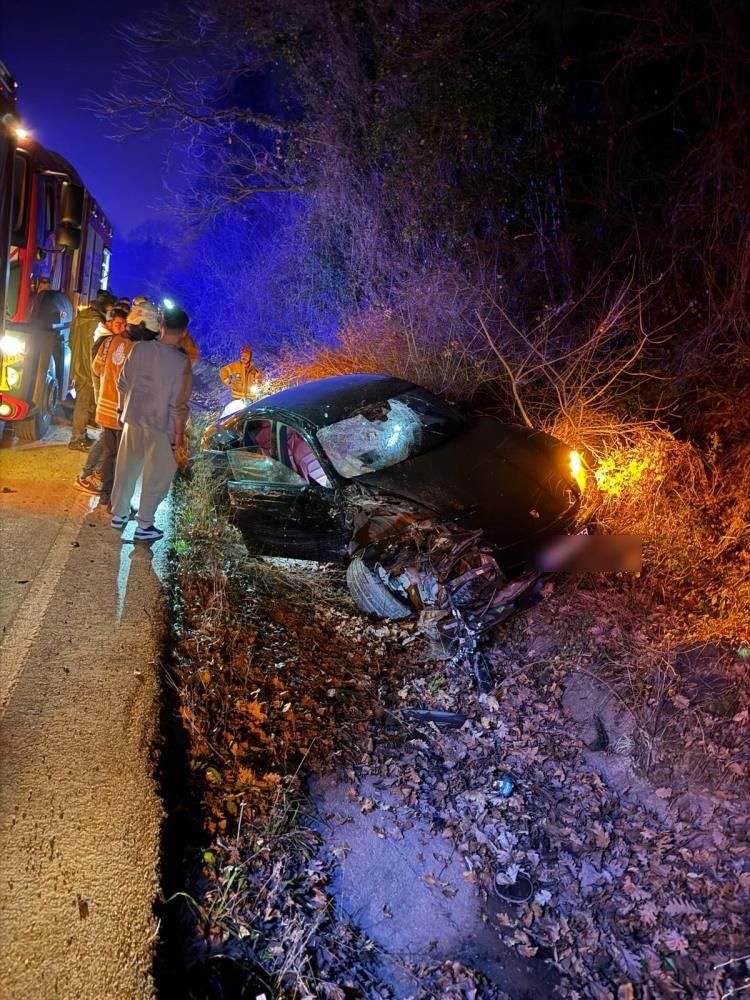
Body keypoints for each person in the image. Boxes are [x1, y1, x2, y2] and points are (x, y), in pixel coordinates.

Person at [110, 304, 192, 541]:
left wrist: (121, 410)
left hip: (132, 419)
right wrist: (178, 438)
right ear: (183, 332)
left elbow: (122, 384)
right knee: (157, 475)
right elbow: (179, 405)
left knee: (126, 468)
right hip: (161, 426)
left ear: (162, 326)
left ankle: (119, 514)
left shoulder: (139, 349)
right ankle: (145, 525)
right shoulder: (180, 363)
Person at [84, 304, 153, 507]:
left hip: (106, 410)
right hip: (127, 413)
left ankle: (106, 496)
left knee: (110, 454)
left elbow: (96, 368)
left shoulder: (108, 342)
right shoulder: (141, 348)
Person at [73, 305, 129, 494]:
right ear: (109, 323)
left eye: (125, 324)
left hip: (107, 402)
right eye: (119, 324)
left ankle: (96, 473)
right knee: (106, 440)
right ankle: (85, 475)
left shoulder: (110, 340)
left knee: (107, 441)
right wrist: (100, 398)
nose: (122, 328)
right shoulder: (107, 342)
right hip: (107, 402)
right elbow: (97, 371)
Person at [68, 290, 116, 451]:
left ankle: (80, 435)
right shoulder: (96, 322)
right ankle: (77, 439)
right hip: (88, 369)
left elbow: (71, 340)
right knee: (83, 404)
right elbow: (94, 347)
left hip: (78, 365)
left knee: (82, 403)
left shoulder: (81, 317)